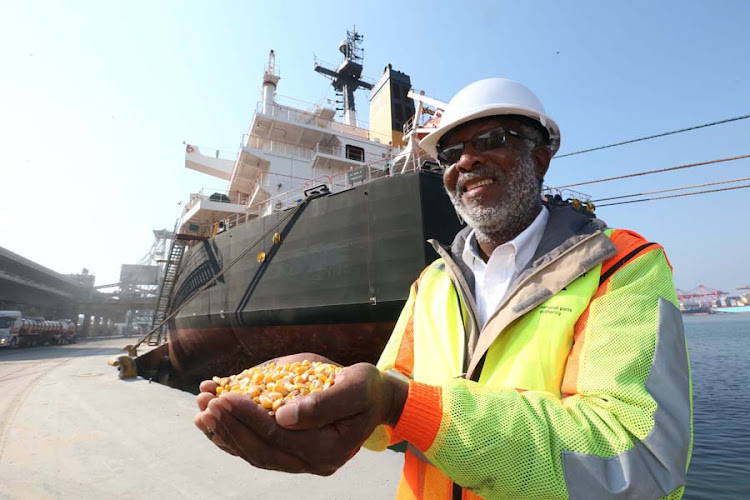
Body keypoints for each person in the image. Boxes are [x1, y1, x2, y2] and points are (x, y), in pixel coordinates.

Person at [195, 78, 692, 499]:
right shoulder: (432, 283)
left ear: (541, 158)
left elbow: (638, 458)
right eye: (452, 152)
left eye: (492, 138)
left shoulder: (620, 268)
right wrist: (334, 394)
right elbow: (385, 403)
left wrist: (400, 403)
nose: (466, 161)